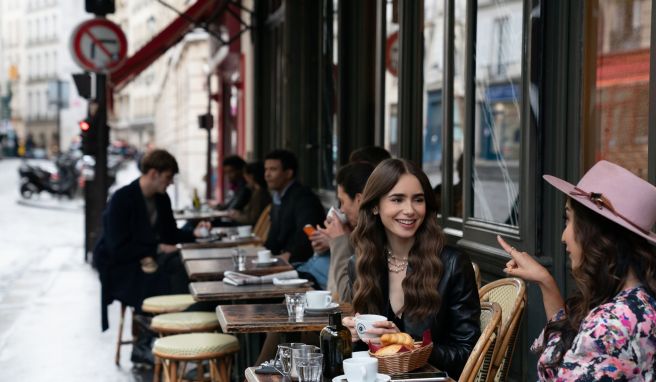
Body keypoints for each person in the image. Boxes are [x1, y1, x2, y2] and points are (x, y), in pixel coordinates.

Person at [497, 160, 656, 380]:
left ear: (595, 234)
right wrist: (546, 282)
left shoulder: (610, 325)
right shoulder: (641, 301)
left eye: (569, 220)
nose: (563, 237)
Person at [343, 158, 480, 379]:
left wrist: (410, 346)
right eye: (397, 200)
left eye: (418, 200)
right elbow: (364, 357)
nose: (410, 210)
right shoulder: (361, 263)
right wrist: (350, 338)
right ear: (376, 206)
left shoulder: (453, 264)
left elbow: (469, 354)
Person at [93, 149, 210, 363]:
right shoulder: (122, 199)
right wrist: (156, 249)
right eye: (168, 177)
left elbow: (170, 234)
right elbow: (116, 248)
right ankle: (146, 342)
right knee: (158, 276)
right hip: (118, 266)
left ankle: (177, 332)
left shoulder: (161, 199)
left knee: (178, 267)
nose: (171, 183)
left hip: (146, 259)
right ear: (153, 173)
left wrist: (194, 233)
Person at [309, 162, 375, 302]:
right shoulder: (362, 231)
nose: (342, 210)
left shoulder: (374, 237)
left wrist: (338, 241)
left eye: (342, 202)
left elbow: (347, 297)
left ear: (359, 200)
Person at [263, 149, 325, 263]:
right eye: (266, 169)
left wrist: (290, 255)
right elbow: (274, 235)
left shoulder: (304, 197)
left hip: (301, 262)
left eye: (273, 169)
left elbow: (308, 229)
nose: (267, 175)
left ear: (288, 173)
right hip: (280, 260)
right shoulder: (278, 196)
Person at [226, 161, 271, 225]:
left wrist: (237, 216)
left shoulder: (259, 194)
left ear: (251, 176)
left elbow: (252, 219)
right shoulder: (258, 192)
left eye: (246, 177)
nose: (246, 181)